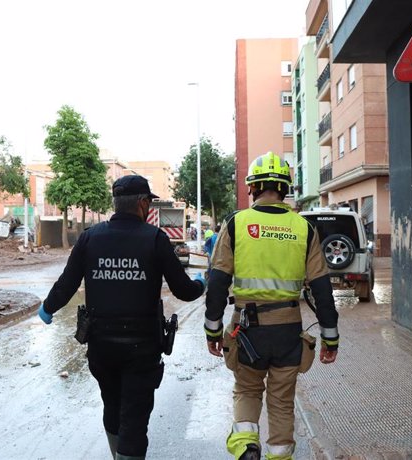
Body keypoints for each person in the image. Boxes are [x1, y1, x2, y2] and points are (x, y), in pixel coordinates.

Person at [39, 175, 206, 460]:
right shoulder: (155, 239)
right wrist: (203, 282)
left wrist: (48, 308)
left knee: (113, 407)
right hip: (142, 348)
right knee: (135, 419)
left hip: (102, 347)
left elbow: (67, 283)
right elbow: (183, 291)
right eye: (149, 203)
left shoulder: (90, 238)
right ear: (142, 203)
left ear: (116, 203)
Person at [203, 152, 339, 460]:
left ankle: (247, 445)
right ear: (285, 189)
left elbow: (217, 282)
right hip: (289, 333)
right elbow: (321, 289)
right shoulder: (304, 228)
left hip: (247, 331)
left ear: (252, 188)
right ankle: (279, 455)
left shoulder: (237, 224)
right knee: (281, 401)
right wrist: (331, 337)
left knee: (248, 390)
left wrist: (212, 330)